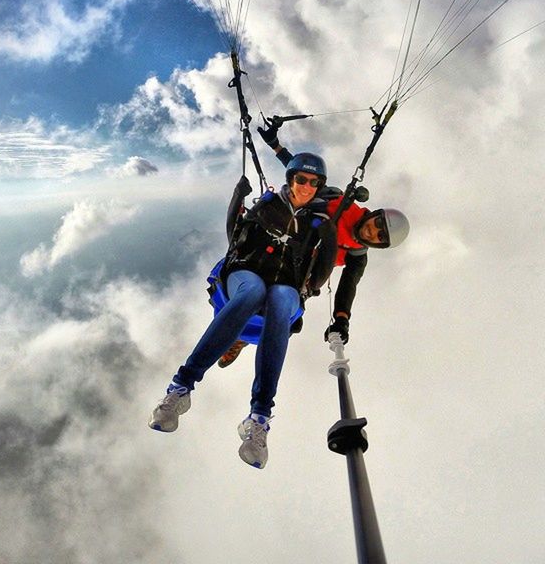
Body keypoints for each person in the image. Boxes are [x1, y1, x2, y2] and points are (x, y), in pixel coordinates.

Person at [149, 154, 337, 469]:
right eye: (300, 179)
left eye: (313, 182)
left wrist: (310, 284)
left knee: (277, 299)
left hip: (288, 287)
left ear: (319, 186)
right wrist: (240, 196)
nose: (305, 186)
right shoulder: (267, 205)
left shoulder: (320, 223)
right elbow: (234, 233)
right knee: (254, 292)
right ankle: (180, 389)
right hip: (244, 274)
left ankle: (259, 419)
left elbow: (324, 267)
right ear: (291, 179)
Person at [257, 120, 410, 346]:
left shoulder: (357, 255)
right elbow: (305, 177)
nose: (372, 230)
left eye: (379, 236)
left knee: (287, 317)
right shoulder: (340, 202)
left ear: (379, 245)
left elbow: (348, 286)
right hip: (283, 243)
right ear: (374, 214)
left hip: (301, 274)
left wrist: (341, 321)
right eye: (377, 223)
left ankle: (241, 337)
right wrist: (276, 146)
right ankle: (237, 330)